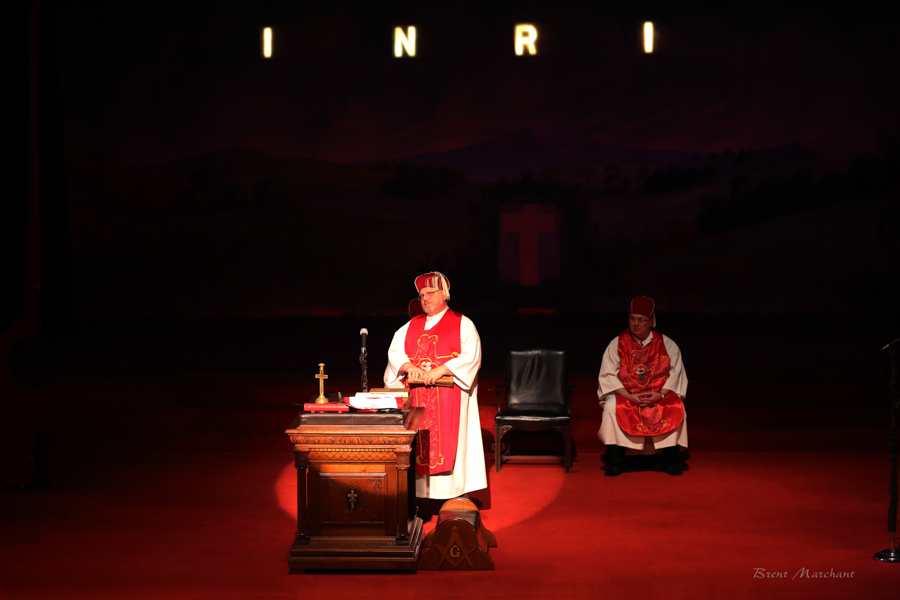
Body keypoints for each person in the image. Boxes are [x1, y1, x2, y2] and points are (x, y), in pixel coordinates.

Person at [384, 271, 487, 500]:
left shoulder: (463, 324)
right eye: (421, 295)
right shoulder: (410, 326)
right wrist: (408, 366)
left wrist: (442, 369)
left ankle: (454, 494)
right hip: (417, 397)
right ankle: (418, 496)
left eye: (430, 293)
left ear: (445, 294)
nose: (425, 299)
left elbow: (471, 356)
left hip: (450, 397)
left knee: (450, 441)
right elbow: (395, 353)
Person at [597, 295, 688, 476]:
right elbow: (608, 374)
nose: (635, 324)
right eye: (632, 319)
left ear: (651, 321)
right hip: (628, 394)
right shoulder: (617, 343)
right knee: (611, 408)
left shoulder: (667, 344)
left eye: (641, 320)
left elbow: (676, 373)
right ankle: (617, 462)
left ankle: (669, 461)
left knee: (675, 407)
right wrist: (628, 396)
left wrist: (661, 395)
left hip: (658, 394)